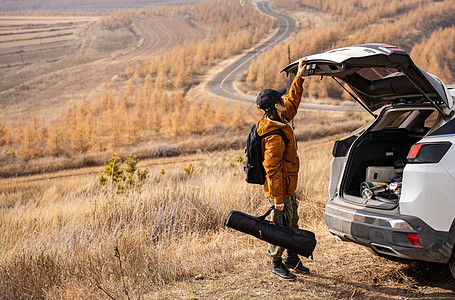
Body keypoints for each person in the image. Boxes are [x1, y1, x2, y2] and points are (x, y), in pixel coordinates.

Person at [255, 58, 308, 281]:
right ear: (275, 106)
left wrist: (300, 77)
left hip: (288, 186)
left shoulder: (281, 117)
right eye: (280, 98)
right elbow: (272, 170)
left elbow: (293, 102)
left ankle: (292, 257)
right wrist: (277, 198)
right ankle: (276, 264)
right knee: (278, 226)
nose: (284, 99)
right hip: (278, 189)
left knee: (292, 221)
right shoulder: (273, 137)